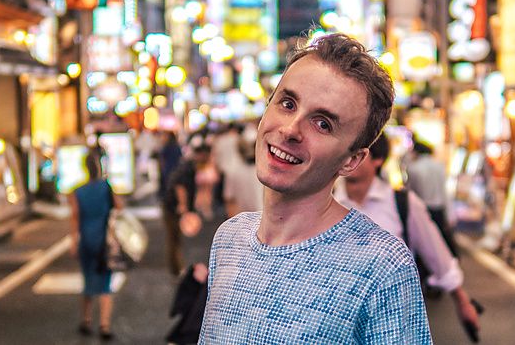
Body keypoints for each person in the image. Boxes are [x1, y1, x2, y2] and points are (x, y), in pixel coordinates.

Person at [200, 33, 432, 343]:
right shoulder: (230, 240)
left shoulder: (383, 267)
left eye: (323, 123)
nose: (290, 129)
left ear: (352, 160)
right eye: (287, 103)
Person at [334, 134, 481, 334]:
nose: (347, 158)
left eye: (357, 152)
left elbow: (436, 253)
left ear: (378, 160)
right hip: (337, 320)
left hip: (391, 320)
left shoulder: (402, 203)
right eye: (345, 150)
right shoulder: (324, 202)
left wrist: (462, 302)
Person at [67, 153, 123, 340]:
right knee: (105, 283)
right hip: (104, 242)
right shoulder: (105, 188)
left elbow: (75, 217)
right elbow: (119, 207)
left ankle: (86, 320)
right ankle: (105, 325)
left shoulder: (78, 191)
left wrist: (74, 242)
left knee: (88, 280)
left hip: (87, 241)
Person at [161, 145, 223, 275]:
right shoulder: (189, 167)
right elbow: (180, 186)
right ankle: (177, 270)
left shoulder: (190, 165)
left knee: (177, 239)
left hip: (174, 206)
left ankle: (179, 268)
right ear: (201, 155)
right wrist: (183, 206)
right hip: (172, 207)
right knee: (174, 238)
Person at [405, 138, 456, 255]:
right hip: (439, 209)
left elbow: (411, 192)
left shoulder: (413, 168)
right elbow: (444, 191)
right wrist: (450, 213)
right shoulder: (439, 166)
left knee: (426, 247)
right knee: (441, 245)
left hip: (423, 209)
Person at [222, 124, 263, 217]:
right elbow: (230, 201)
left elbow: (229, 200)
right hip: (249, 220)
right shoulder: (234, 171)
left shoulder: (233, 171)